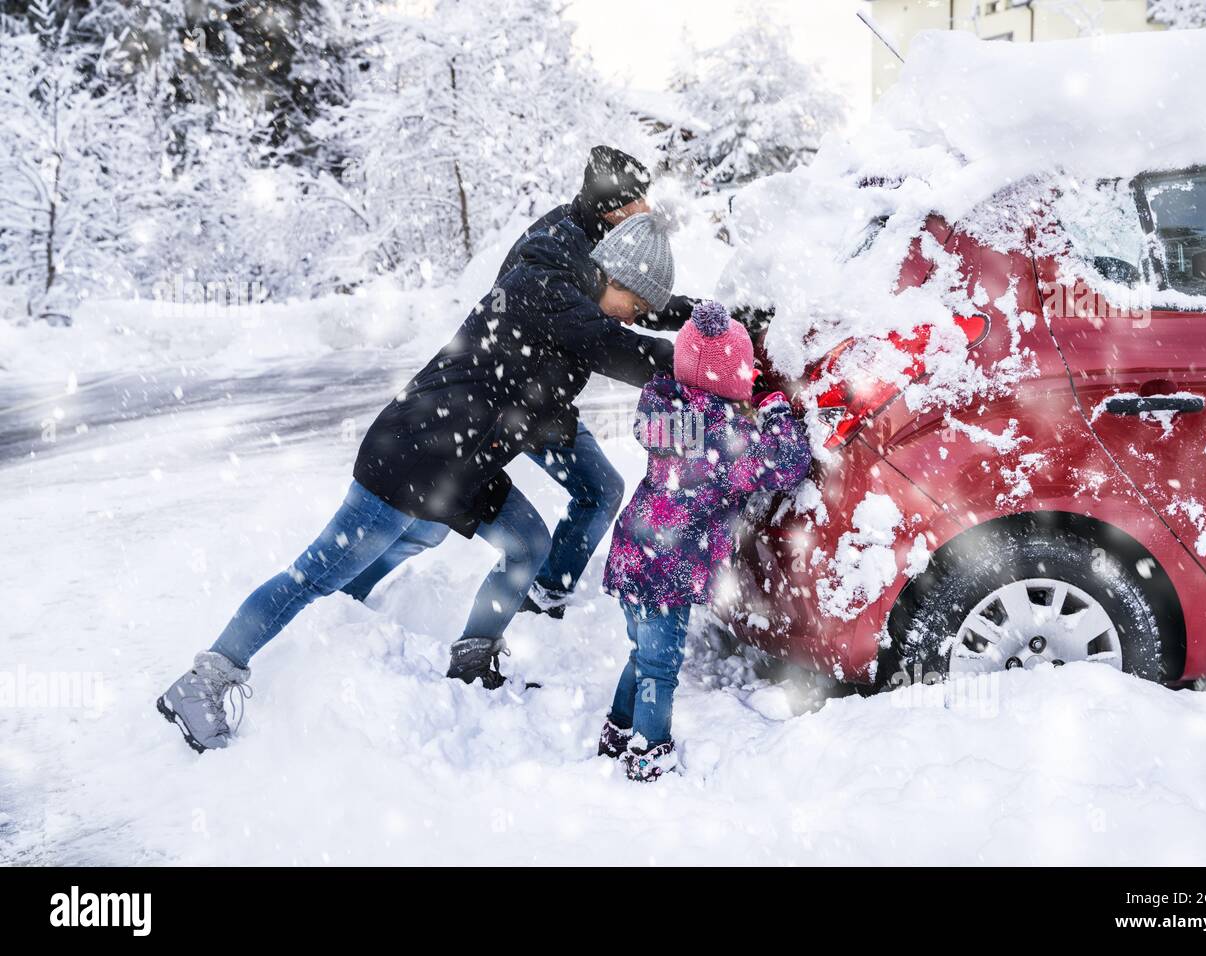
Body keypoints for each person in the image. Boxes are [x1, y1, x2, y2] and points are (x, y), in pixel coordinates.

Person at [157, 210, 678, 753]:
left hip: (461, 466)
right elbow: (624, 350)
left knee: (526, 543)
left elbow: (594, 350)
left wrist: (704, 323)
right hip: (409, 458)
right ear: (612, 275)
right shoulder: (551, 292)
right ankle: (204, 681)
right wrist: (703, 361)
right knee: (315, 574)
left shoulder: (577, 303)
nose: (633, 318)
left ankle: (471, 657)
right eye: (635, 306)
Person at [597, 301, 812, 782]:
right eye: (746, 366)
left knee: (643, 655)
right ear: (731, 377)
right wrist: (775, 409)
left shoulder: (667, 411)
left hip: (635, 553)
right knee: (660, 667)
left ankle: (618, 730)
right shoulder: (727, 442)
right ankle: (650, 751)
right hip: (665, 571)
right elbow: (788, 461)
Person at [498, 146, 697, 620]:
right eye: (637, 204)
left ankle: (545, 594)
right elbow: (599, 336)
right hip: (519, 397)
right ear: (612, 210)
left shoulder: (593, 238)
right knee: (414, 506)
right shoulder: (560, 247)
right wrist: (689, 362)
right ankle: (543, 599)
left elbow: (638, 299)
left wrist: (701, 319)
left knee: (416, 508)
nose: (647, 212)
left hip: (539, 395)